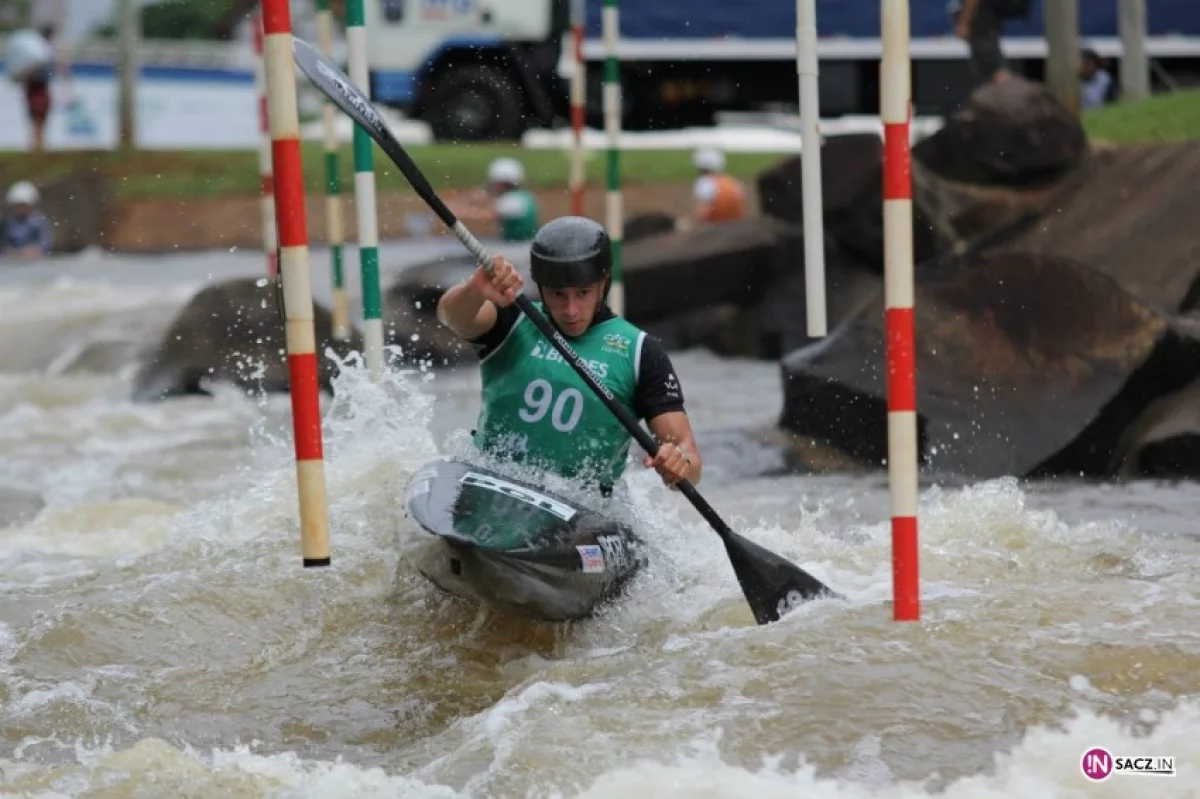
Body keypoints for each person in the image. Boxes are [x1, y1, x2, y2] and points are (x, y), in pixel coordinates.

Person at [436, 215, 702, 496]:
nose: (571, 309)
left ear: (604, 284)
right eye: (558, 294)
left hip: (584, 509)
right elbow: (451, 316)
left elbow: (689, 455)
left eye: (583, 293)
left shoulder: (641, 352)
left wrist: (679, 463)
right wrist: (475, 290)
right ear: (540, 287)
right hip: (494, 483)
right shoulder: (513, 319)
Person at [447, 157, 540, 242]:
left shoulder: (512, 201)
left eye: (495, 182)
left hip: (518, 245)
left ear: (503, 183)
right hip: (521, 242)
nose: (492, 185)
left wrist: (456, 211)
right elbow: (489, 201)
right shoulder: (520, 196)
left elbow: (486, 215)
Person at [949, 0, 1016, 86]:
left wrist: (964, 22)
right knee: (988, 65)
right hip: (986, 20)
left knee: (993, 67)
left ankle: (1009, 93)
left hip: (981, 23)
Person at [690, 148, 746, 225]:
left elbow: (703, 211)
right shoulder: (732, 182)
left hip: (714, 227)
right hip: (734, 226)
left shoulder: (704, 182)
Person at [1, 181, 52, 259]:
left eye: (24, 206)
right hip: (12, 258)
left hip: (34, 260)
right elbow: (4, 243)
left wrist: (35, 250)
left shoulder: (39, 221)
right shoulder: (7, 222)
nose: (21, 209)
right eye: (18, 206)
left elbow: (46, 243)